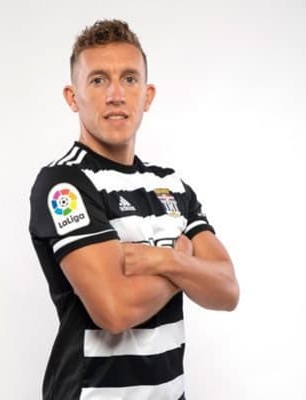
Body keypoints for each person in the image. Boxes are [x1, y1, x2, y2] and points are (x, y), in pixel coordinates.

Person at [29, 19, 239, 400]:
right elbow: (114, 309)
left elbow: (226, 290)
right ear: (73, 97)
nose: (115, 94)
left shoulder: (171, 185)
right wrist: (184, 262)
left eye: (129, 79)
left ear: (147, 95)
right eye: (98, 80)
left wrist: (163, 261)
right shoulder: (64, 184)